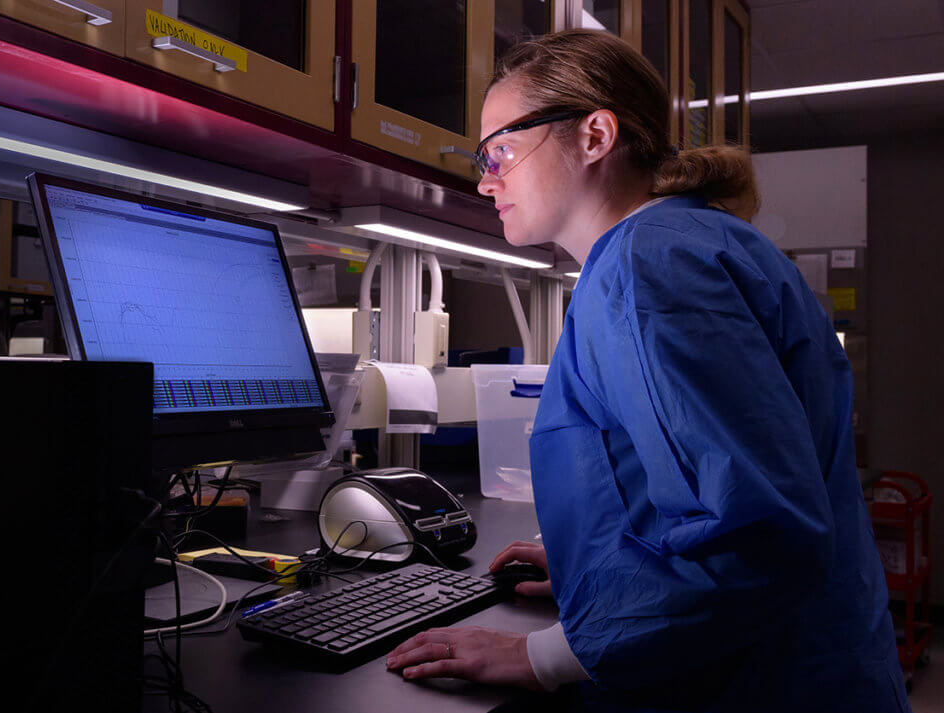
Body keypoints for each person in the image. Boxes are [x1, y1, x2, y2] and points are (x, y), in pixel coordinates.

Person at [385, 29, 909, 712]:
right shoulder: (697, 243)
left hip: (752, 683)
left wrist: (540, 654)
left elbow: (755, 539)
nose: (486, 178)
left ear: (595, 135)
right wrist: (603, 566)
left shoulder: (647, 267)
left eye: (501, 150)